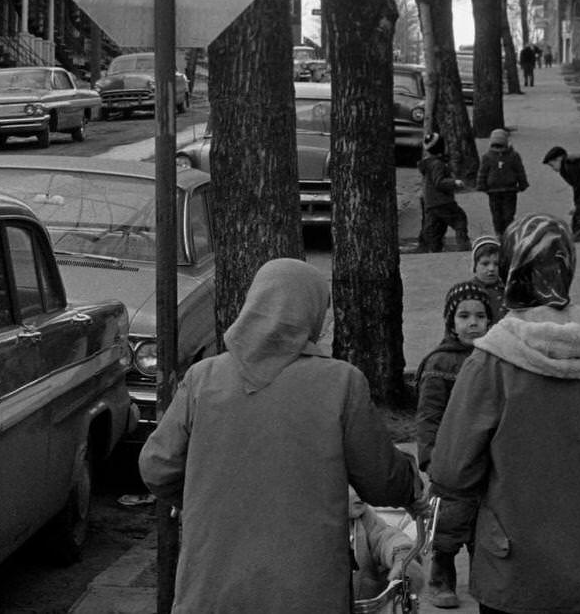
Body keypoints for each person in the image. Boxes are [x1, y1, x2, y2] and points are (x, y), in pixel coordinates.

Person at [139, 258, 421, 613]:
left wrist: (203, 497)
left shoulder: (203, 379)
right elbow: (382, 481)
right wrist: (413, 486)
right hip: (306, 594)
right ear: (312, 313)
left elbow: (156, 467)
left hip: (211, 591)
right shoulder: (340, 383)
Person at [430, 213, 580, 614]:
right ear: (568, 266)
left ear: (510, 269)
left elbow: (450, 470)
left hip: (510, 571)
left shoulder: (491, 362)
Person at [415, 279, 493, 608]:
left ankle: (484, 579)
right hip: (451, 460)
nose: (472, 323)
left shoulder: (496, 359)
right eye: (463, 316)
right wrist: (430, 457)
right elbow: (428, 415)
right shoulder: (440, 363)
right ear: (451, 321)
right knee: (448, 524)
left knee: (485, 524)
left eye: (479, 315)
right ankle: (440, 576)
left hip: (487, 458)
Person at [349, 487, 422, 603]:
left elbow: (386, 537)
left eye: (363, 484)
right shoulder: (313, 527)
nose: (362, 493)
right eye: (353, 486)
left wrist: (402, 555)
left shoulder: (365, 519)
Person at [417, 131, 471, 253]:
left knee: (437, 227)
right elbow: (439, 182)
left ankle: (434, 250)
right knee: (459, 219)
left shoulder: (429, 164)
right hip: (442, 200)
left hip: (431, 202)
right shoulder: (438, 164)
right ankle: (464, 246)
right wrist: (454, 182)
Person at [474, 127, 528, 236]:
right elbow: (483, 172)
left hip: (508, 190)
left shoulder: (513, 156)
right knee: (498, 214)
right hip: (495, 191)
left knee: (506, 214)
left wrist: (523, 183)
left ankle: (506, 232)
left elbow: (519, 171)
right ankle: (500, 233)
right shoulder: (488, 157)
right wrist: (481, 185)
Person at [469, 234, 507, 322]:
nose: (491, 269)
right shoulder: (468, 291)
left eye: (496, 264)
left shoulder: (508, 289)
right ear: (475, 266)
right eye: (485, 264)